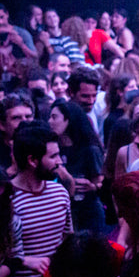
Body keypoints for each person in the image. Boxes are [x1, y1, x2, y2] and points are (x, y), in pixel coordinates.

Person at [0, 122, 72, 277]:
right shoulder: (4, 200)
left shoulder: (59, 193)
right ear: (32, 160)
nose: (59, 161)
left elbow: (69, 241)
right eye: (54, 156)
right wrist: (23, 261)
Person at [49, 99, 105, 232]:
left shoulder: (90, 149)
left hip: (88, 211)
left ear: (68, 119)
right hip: (62, 210)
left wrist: (92, 187)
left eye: (54, 117)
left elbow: (100, 183)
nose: (50, 122)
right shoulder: (54, 149)